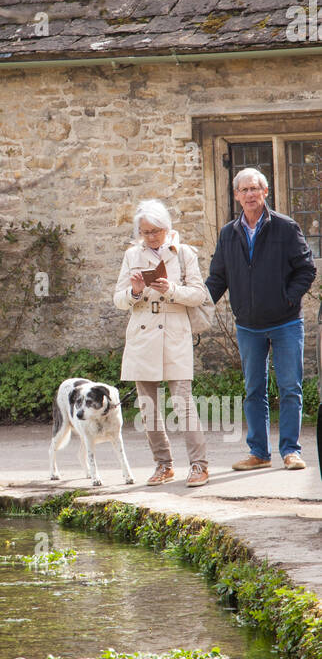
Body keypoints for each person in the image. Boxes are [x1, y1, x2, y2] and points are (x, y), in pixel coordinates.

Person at [206, 168, 316, 471]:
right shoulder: (229, 233)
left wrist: (288, 299)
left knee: (290, 388)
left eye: (255, 188)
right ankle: (259, 453)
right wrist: (198, 306)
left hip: (285, 323)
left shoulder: (285, 227)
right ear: (237, 195)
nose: (250, 194)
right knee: (254, 390)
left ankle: (291, 451)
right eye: (244, 190)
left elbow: (306, 269)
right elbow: (217, 278)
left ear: (265, 192)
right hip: (248, 326)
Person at [114, 200, 210, 486]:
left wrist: (172, 290)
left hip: (174, 332)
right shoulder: (132, 255)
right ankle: (163, 465)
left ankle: (199, 465)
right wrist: (134, 290)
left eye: (156, 231)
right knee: (148, 408)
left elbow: (199, 295)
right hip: (142, 336)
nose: (151, 237)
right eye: (145, 232)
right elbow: (118, 300)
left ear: (167, 229)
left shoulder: (184, 254)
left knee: (183, 402)